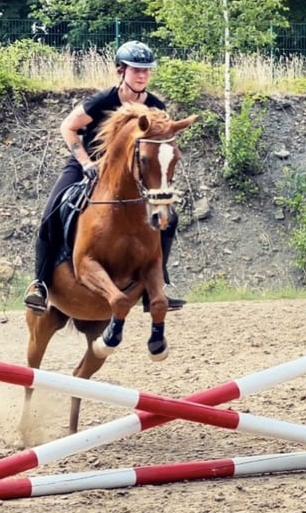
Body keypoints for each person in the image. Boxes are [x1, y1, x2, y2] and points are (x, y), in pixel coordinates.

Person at [23, 40, 186, 315]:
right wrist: (86, 162)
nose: (142, 75)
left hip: (129, 175)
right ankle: (40, 284)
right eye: (136, 70)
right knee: (51, 212)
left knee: (171, 219)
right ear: (121, 71)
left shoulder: (156, 107)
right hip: (85, 165)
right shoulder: (102, 100)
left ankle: (156, 288)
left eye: (146, 71)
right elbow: (68, 128)